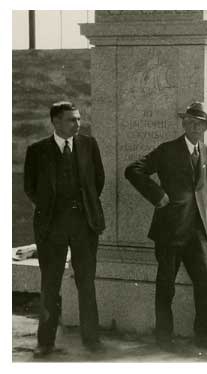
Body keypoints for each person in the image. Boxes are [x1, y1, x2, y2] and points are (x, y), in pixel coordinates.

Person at [124, 102, 207, 354]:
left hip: (195, 230)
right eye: (192, 123)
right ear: (184, 124)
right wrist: (157, 195)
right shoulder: (167, 150)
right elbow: (133, 170)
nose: (197, 128)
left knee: (206, 284)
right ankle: (164, 339)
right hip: (168, 230)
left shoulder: (204, 151)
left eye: (202, 125)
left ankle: (204, 337)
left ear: (205, 128)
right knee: (166, 285)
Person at [24, 101, 105, 357]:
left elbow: (97, 180)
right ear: (56, 122)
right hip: (52, 227)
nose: (78, 124)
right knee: (50, 284)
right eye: (72, 120)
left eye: (79, 119)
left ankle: (92, 340)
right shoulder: (37, 151)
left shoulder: (88, 145)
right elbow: (31, 187)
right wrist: (52, 209)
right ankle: (45, 342)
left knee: (87, 283)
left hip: (84, 226)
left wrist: (85, 209)